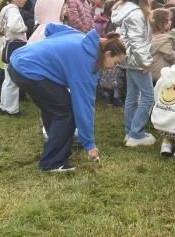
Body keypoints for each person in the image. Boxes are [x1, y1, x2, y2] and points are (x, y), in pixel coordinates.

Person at [8, 25, 126, 171]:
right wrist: (89, 143)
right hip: (28, 70)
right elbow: (84, 107)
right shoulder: (86, 64)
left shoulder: (82, 37)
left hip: (18, 60)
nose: (114, 68)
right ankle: (52, 162)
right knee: (66, 112)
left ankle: (57, 144)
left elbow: (51, 28)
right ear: (108, 54)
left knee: (53, 107)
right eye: (115, 63)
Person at [112, 0, 156, 147]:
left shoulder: (123, 9)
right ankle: (136, 134)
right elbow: (138, 41)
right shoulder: (136, 13)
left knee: (131, 95)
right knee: (148, 96)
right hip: (138, 59)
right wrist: (146, 62)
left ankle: (130, 131)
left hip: (128, 58)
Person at [0, 0, 29, 117]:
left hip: (6, 46)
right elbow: (13, 27)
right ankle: (12, 110)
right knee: (13, 80)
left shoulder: (6, 9)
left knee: (8, 79)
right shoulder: (13, 10)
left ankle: (4, 106)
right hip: (14, 46)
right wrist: (24, 28)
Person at [147, 8, 175, 81]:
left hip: (151, 74)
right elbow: (171, 56)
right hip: (161, 76)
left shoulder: (149, 37)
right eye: (168, 20)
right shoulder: (163, 40)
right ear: (162, 23)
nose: (170, 22)